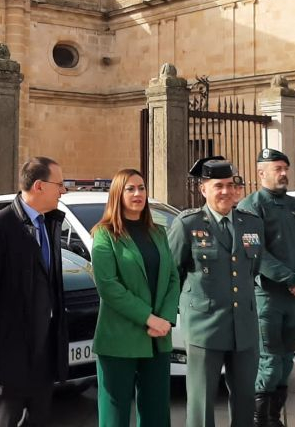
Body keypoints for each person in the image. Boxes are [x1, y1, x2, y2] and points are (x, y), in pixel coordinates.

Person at [0, 156, 69, 427]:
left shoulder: (50, 223)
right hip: (10, 350)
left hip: (43, 348)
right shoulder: (0, 226)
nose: (63, 190)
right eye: (59, 184)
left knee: (39, 418)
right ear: (39, 186)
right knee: (6, 418)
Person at [167, 156, 264, 427]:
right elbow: (172, 273)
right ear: (203, 189)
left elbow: (251, 270)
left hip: (243, 327)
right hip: (204, 326)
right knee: (201, 402)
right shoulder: (188, 224)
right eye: (218, 186)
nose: (226, 192)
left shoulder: (252, 224)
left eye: (231, 185)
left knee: (245, 398)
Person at [238, 148, 295, 427]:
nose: (284, 173)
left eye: (285, 168)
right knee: (269, 360)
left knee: (287, 360)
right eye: (277, 168)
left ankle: (274, 419)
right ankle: (258, 421)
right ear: (261, 173)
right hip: (268, 297)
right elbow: (256, 252)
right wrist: (292, 280)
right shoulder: (251, 207)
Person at [90, 168, 180, 427]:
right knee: (115, 413)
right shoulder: (104, 234)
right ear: (118, 193)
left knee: (157, 411)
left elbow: (173, 278)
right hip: (119, 337)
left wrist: (164, 318)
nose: (137, 193)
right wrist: (149, 318)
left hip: (158, 338)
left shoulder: (158, 232)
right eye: (130, 188)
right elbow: (108, 286)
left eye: (141, 187)